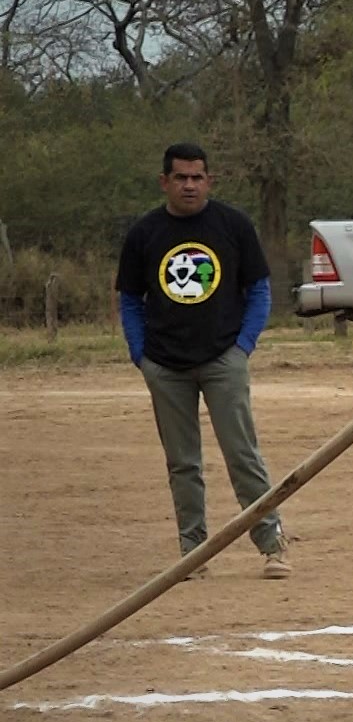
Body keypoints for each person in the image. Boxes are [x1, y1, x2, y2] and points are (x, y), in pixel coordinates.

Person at [116, 142, 291, 580]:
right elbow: (130, 300)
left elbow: (259, 291)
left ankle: (272, 545)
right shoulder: (144, 234)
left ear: (209, 180)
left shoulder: (233, 225)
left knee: (243, 455)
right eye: (180, 177)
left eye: (197, 177)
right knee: (183, 463)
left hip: (223, 359)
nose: (189, 185)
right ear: (165, 182)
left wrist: (243, 346)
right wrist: (141, 355)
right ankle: (193, 553)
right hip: (164, 365)